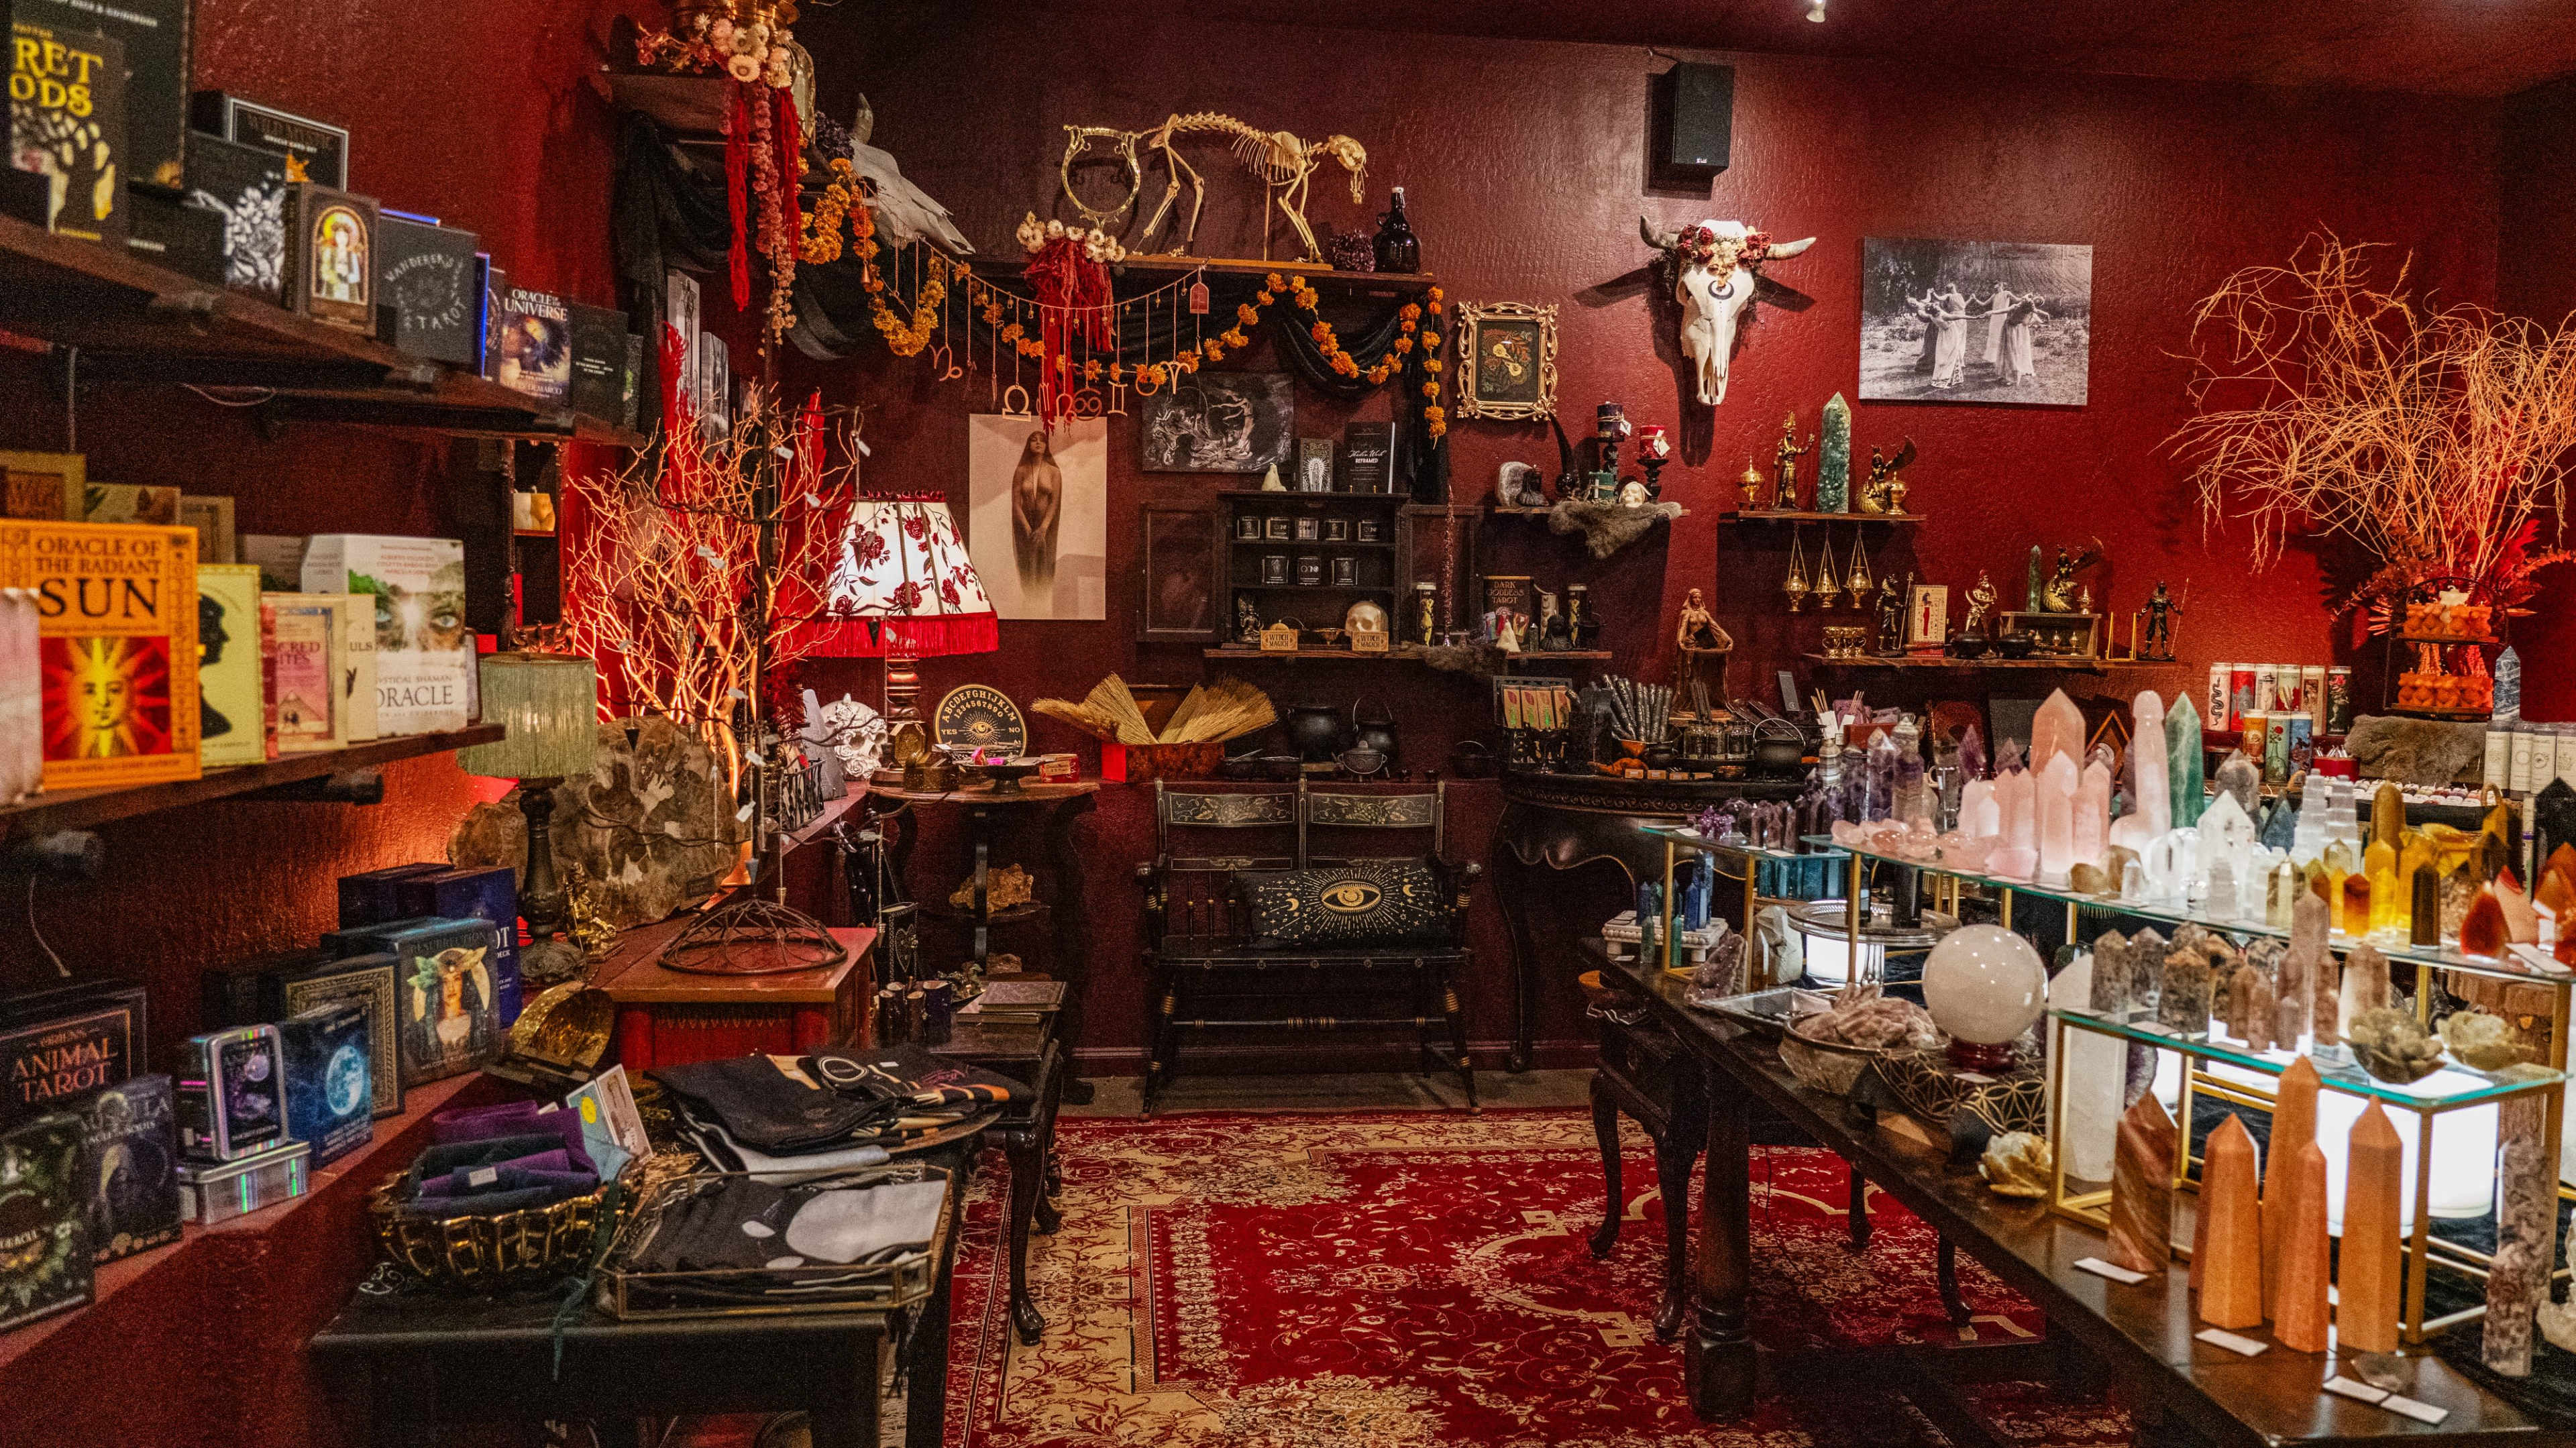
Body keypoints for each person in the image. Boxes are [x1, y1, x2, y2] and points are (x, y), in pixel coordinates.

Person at [1010, 428, 1062, 596]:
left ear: (1047, 445)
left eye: (1042, 440)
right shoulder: (1021, 471)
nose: (1038, 442)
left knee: (1044, 567)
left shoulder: (1054, 472)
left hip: (1045, 527)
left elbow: (1054, 502)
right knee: (1028, 568)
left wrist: (1043, 529)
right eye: (1034, 439)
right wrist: (1027, 529)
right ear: (1029, 444)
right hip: (1026, 527)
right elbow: (1016, 503)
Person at [2004, 294, 2052, 386]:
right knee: (2018, 349)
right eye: (2037, 299)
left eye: (2038, 300)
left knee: (2022, 349)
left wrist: (2044, 319)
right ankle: (2018, 369)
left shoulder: (2032, 311)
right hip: (2019, 328)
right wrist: (2045, 317)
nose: (2036, 300)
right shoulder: (2028, 307)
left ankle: (2022, 368)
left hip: (2022, 330)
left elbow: (2038, 317)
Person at [1930, 287, 1972, 388]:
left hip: (1945, 333)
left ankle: (1953, 373)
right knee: (1952, 351)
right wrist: (1974, 317)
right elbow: (1940, 299)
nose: (1938, 305)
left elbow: (1938, 301)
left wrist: (1932, 294)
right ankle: (1946, 377)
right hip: (1952, 330)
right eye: (1936, 305)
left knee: (1948, 351)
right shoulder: (1944, 314)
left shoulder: (1933, 316)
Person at [1981, 286, 2015, 374]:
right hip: (1994, 317)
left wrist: (2025, 298)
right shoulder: (1994, 295)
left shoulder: (2007, 293)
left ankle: (2000, 358)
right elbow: (1984, 304)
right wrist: (1974, 299)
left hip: (2002, 317)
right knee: (1993, 336)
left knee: (2001, 336)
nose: (1995, 287)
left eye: (1996, 285)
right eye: (1994, 285)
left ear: (2001, 285)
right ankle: (1993, 358)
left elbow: (2016, 300)